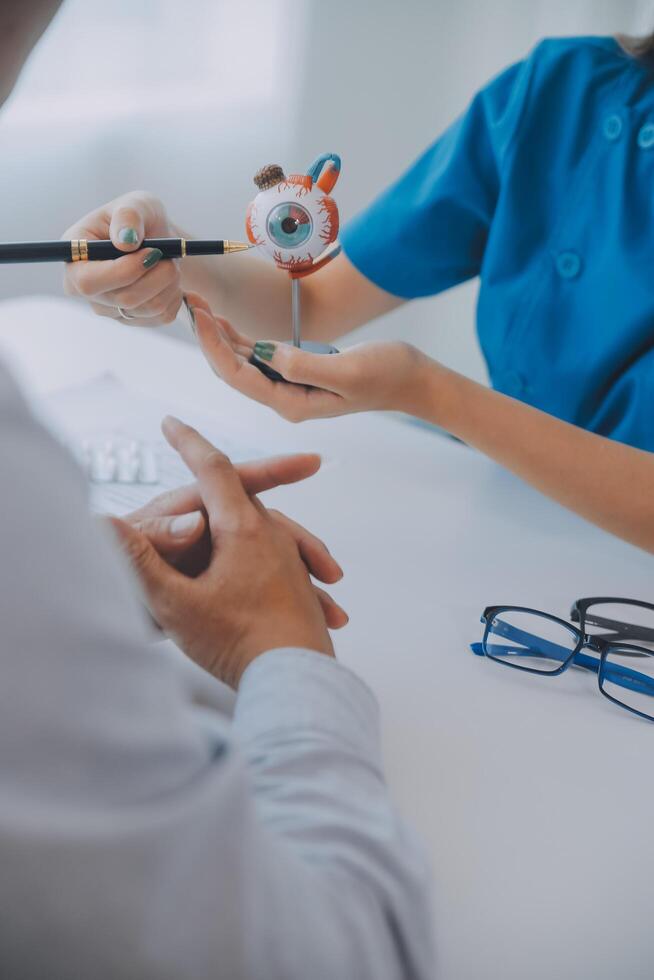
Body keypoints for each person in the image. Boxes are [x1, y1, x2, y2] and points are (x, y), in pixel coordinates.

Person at [0, 4, 434, 976]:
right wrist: (286, 651)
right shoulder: (557, 96)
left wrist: (85, 570)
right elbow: (336, 954)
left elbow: (312, 297)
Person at [65, 30, 654, 555]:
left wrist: (429, 393)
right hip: (492, 520)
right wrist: (175, 255)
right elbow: (316, 300)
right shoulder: (560, 88)